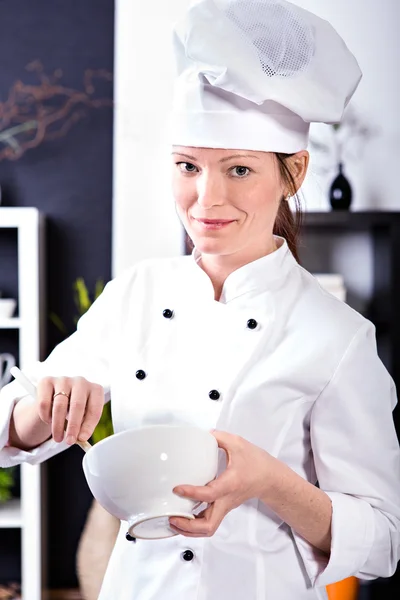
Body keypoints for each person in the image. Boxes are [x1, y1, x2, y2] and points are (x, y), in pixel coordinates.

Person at [1, 1, 400, 598]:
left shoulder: (338, 336)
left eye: (238, 170)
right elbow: (12, 426)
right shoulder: (135, 293)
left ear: (293, 173)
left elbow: (384, 541)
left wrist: (270, 481)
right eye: (187, 166)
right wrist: (43, 412)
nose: (205, 200)